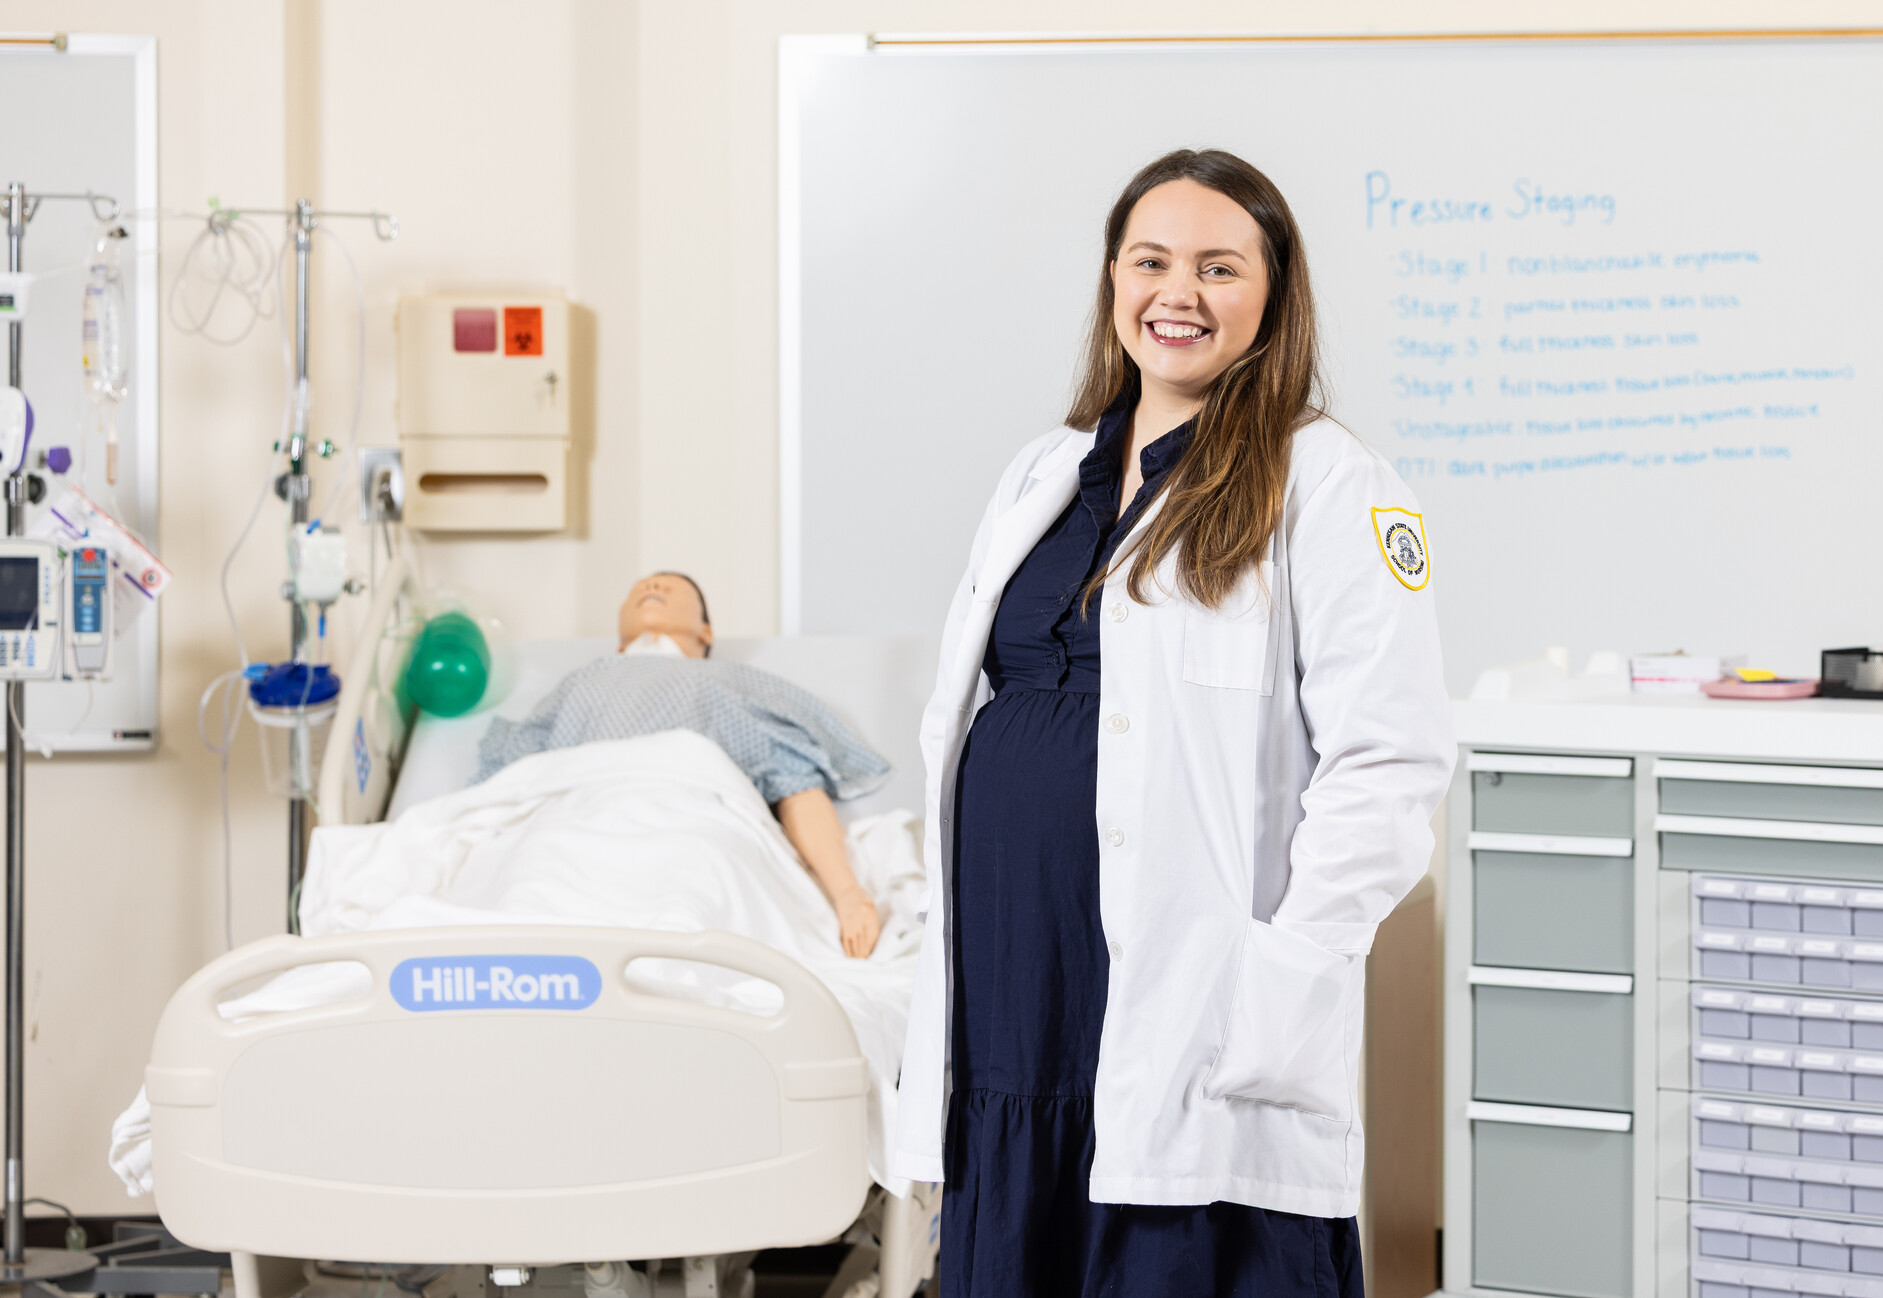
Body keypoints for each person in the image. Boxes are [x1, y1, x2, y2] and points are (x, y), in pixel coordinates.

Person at [892, 150, 1455, 1294]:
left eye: (1218, 267)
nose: (1177, 294)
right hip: (1016, 996)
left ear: (1274, 293)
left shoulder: (1334, 483)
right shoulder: (1045, 473)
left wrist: (1284, 968)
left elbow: (1390, 763)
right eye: (1151, 261)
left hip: (1198, 998)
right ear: (1113, 280)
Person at [476, 571, 887, 957]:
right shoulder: (581, 682)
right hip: (574, 819)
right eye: (642, 586)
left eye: (673, 587)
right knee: (532, 897)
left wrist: (848, 894)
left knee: (688, 905)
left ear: (707, 631)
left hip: (690, 820)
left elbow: (794, 781)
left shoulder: (728, 683)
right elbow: (516, 779)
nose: (653, 584)